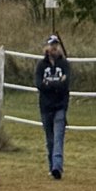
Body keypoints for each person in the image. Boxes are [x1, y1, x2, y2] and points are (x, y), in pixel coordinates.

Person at [35, 36, 74, 180]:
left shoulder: (64, 64)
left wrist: (49, 85)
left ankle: (57, 167)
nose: (54, 48)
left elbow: (66, 83)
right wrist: (56, 84)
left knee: (58, 138)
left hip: (60, 106)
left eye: (56, 45)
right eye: (52, 45)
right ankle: (52, 166)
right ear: (46, 47)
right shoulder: (41, 65)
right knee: (50, 139)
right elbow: (39, 84)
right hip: (45, 107)